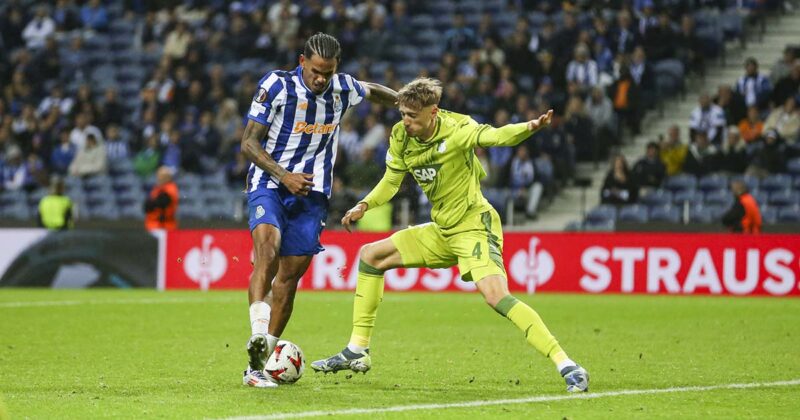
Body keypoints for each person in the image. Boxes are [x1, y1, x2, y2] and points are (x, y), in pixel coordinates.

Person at [310, 78, 589, 393]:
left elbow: (495, 137)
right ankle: (357, 350)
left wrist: (530, 127)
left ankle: (568, 365)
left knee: (496, 296)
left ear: (433, 112)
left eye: (413, 116)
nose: (406, 121)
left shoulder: (457, 129)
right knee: (371, 256)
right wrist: (365, 204)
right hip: (441, 229)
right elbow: (391, 180)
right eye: (402, 114)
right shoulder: (401, 137)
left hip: (473, 225)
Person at [239, 33, 397, 388]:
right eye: (315, 71)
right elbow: (248, 142)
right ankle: (257, 339)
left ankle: (263, 359)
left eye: (328, 72)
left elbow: (372, 90)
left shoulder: (343, 88)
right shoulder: (276, 86)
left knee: (290, 277)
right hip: (270, 182)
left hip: (313, 194)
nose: (321, 79)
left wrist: (405, 103)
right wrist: (284, 175)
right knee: (267, 250)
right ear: (301, 62)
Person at [143, 166, 179, 230]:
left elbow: (162, 202)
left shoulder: (170, 188)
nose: (159, 178)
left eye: (162, 176)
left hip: (164, 225)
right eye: (159, 175)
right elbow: (148, 205)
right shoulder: (157, 188)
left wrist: (152, 203)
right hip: (153, 225)